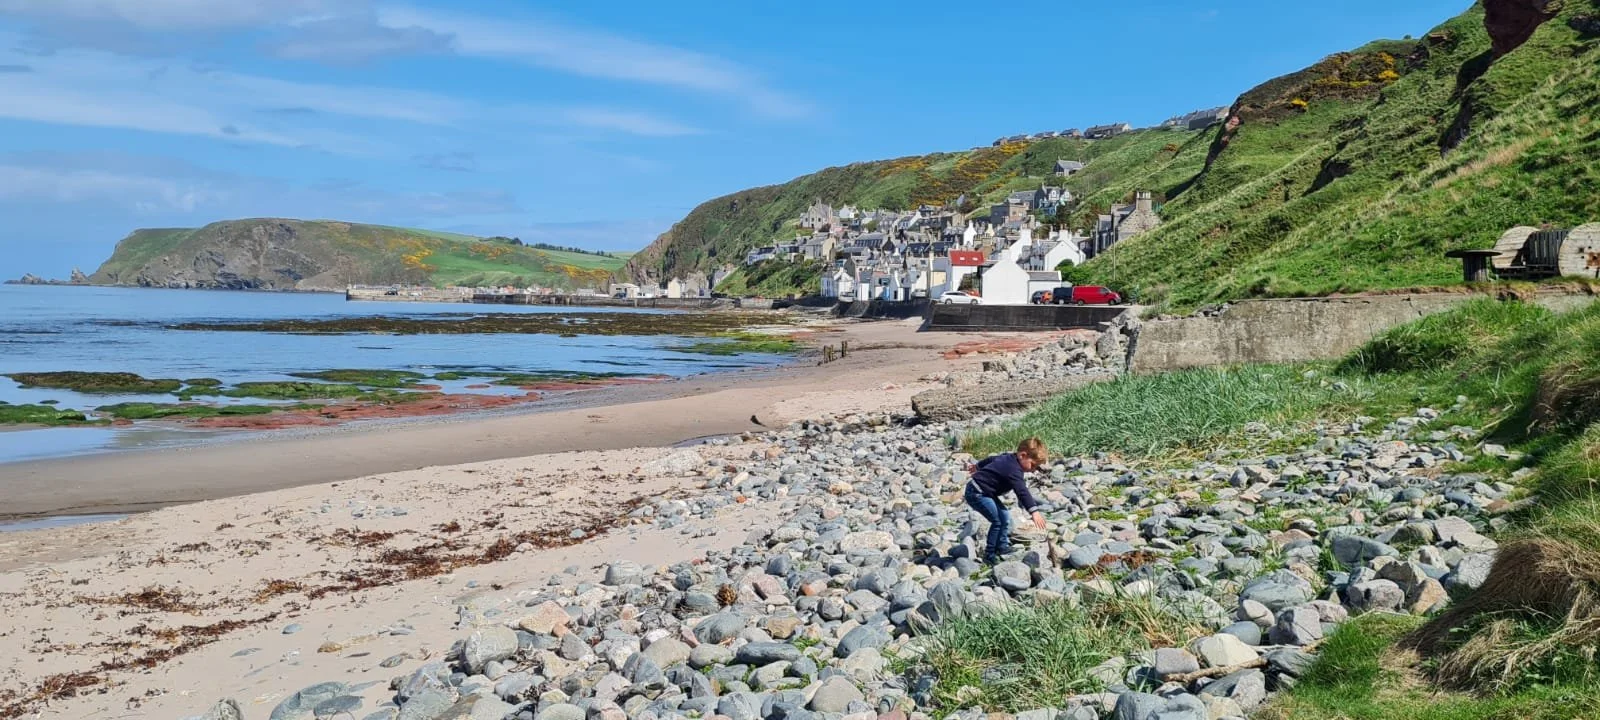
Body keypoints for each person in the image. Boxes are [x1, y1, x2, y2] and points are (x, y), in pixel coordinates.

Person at [964, 437, 1049, 564]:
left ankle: (1002, 546)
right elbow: (1022, 491)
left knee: (1005, 517)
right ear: (1023, 455)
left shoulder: (1009, 457)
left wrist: (977, 466)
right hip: (976, 492)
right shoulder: (1014, 470)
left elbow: (992, 459)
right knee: (997, 521)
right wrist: (1034, 511)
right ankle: (989, 554)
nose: (1033, 470)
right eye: (1033, 465)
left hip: (986, 492)